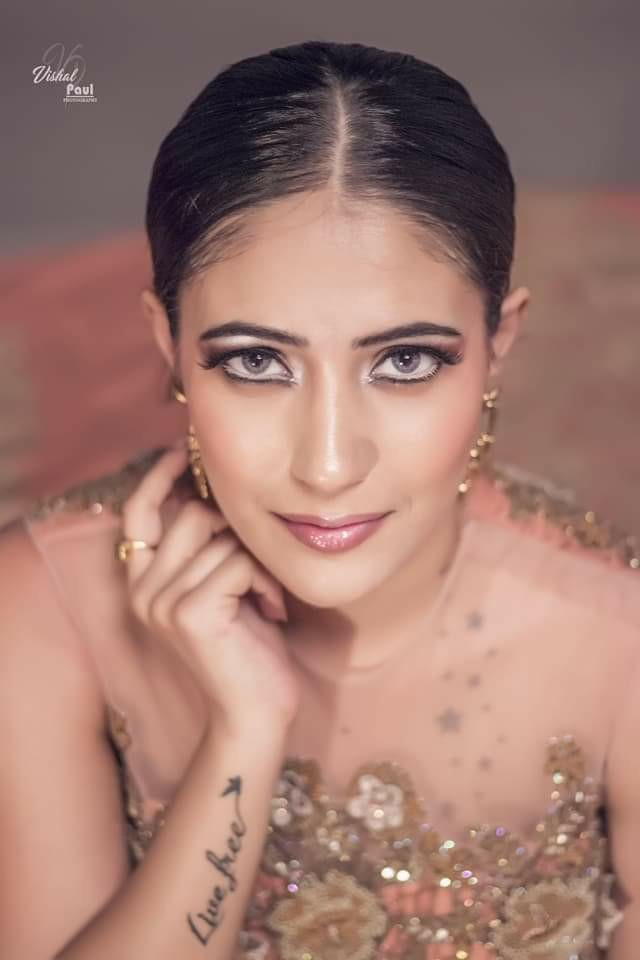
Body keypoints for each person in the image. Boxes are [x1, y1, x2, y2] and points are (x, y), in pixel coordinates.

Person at [1, 39, 638, 960]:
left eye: (405, 361)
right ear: (168, 343)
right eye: (256, 362)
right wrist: (243, 735)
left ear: (498, 346)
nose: (329, 465)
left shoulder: (619, 639)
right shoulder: (47, 603)